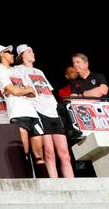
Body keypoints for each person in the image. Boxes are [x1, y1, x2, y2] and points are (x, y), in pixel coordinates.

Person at [16, 44, 74, 178]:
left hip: (53, 112)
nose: (33, 53)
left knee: (64, 153)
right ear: (22, 55)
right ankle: (55, 184)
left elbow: (49, 92)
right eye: (29, 51)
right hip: (39, 112)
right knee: (49, 152)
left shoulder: (39, 71)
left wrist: (58, 110)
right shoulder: (18, 70)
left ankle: (71, 184)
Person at [0, 44, 41, 165]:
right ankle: (26, 182)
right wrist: (21, 91)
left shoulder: (16, 71)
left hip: (33, 114)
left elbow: (33, 92)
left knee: (40, 156)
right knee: (23, 153)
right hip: (18, 113)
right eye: (9, 52)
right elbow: (16, 91)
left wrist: (19, 91)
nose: (12, 54)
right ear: (2, 55)